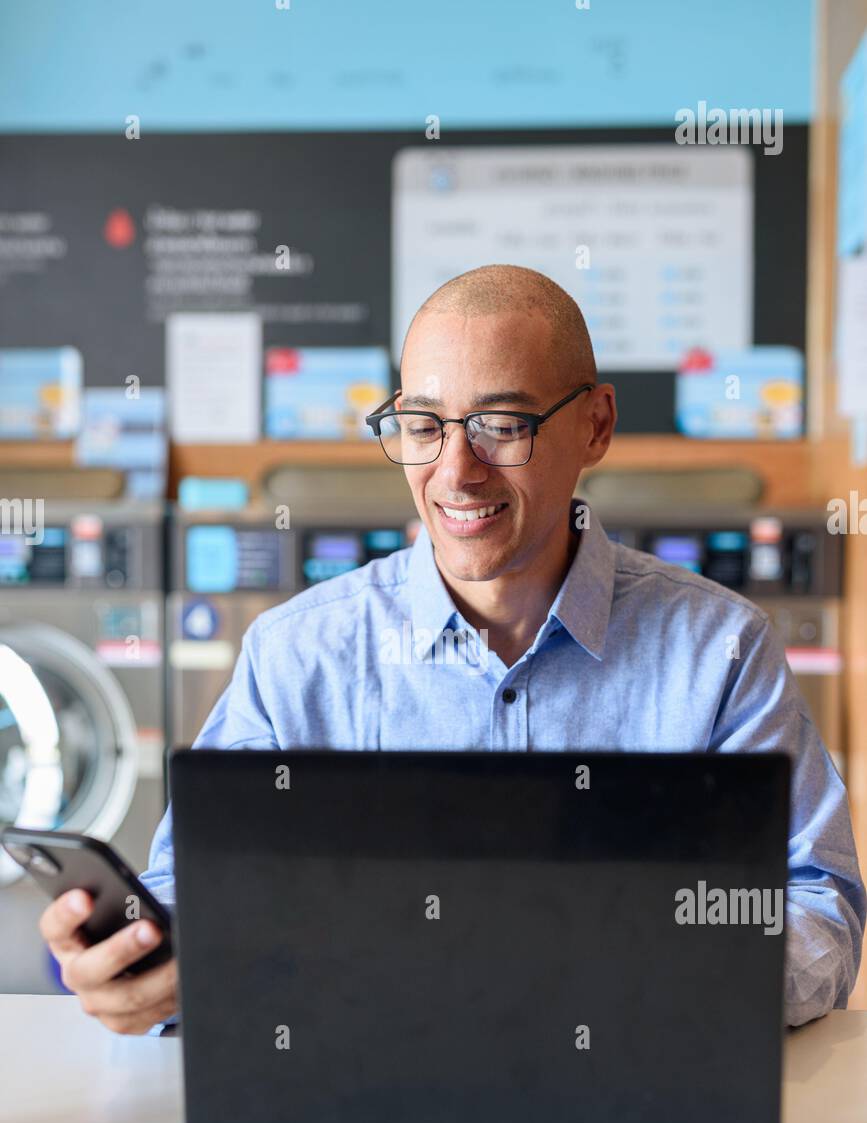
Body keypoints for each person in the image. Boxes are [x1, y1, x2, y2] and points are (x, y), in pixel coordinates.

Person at [38, 264, 865, 1034]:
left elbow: (816, 902)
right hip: (356, 1098)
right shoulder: (298, 655)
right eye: (423, 425)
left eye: (501, 424)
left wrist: (640, 974)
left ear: (596, 425)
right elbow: (193, 884)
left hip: (631, 1080)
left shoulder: (716, 650)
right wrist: (141, 957)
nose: (455, 472)